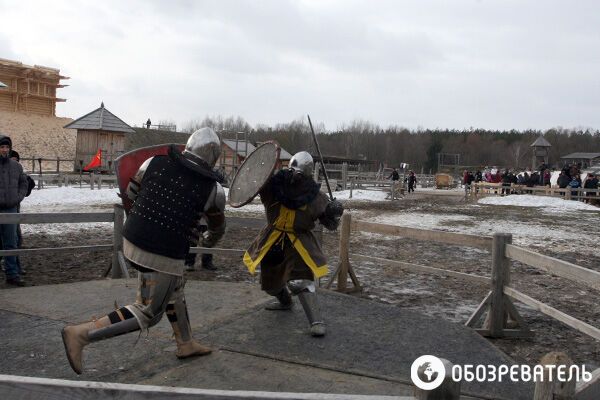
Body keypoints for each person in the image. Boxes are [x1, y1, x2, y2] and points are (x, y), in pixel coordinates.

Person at [61, 127, 226, 374]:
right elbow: (216, 227)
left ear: (189, 146)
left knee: (175, 288)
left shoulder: (153, 162)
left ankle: (185, 342)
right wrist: (208, 239)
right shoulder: (213, 190)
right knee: (148, 311)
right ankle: (81, 334)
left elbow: (131, 193)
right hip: (162, 254)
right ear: (213, 157)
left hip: (132, 238)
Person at [243, 151, 343, 337]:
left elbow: (330, 224)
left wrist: (334, 213)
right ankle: (285, 302)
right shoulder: (272, 187)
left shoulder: (316, 196)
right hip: (272, 239)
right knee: (270, 283)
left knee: (300, 281)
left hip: (299, 243)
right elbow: (252, 185)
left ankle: (316, 320)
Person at [0, 135, 28, 286]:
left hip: (11, 209)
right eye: (2, 147)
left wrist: (18, 197)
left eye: (7, 147)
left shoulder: (16, 166)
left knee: (11, 242)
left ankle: (12, 274)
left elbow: (24, 182)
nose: (4, 150)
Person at [7, 150, 35, 276]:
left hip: (15, 213)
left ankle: (16, 268)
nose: (14, 162)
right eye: (12, 159)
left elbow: (26, 189)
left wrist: (20, 195)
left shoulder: (18, 173)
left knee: (15, 240)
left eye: (16, 160)